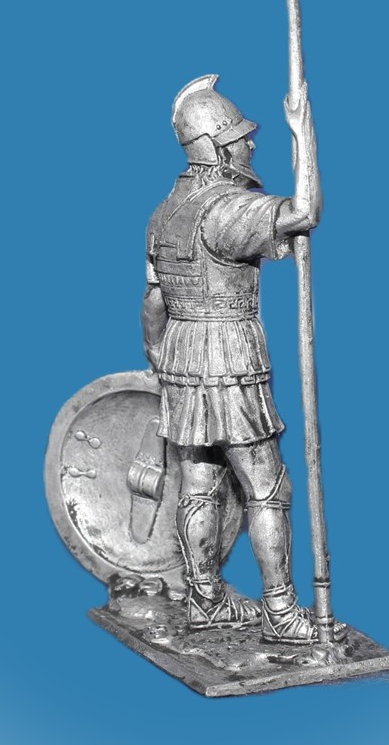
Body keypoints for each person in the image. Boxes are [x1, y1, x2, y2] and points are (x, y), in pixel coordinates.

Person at [142, 75, 341, 644]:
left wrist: (158, 355)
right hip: (228, 353)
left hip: (181, 354)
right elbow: (304, 212)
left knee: (200, 481)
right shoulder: (227, 209)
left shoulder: (165, 212)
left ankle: (205, 598)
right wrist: (304, 134)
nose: (251, 144)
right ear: (215, 147)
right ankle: (280, 611)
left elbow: (153, 302)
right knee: (266, 486)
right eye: (239, 138)